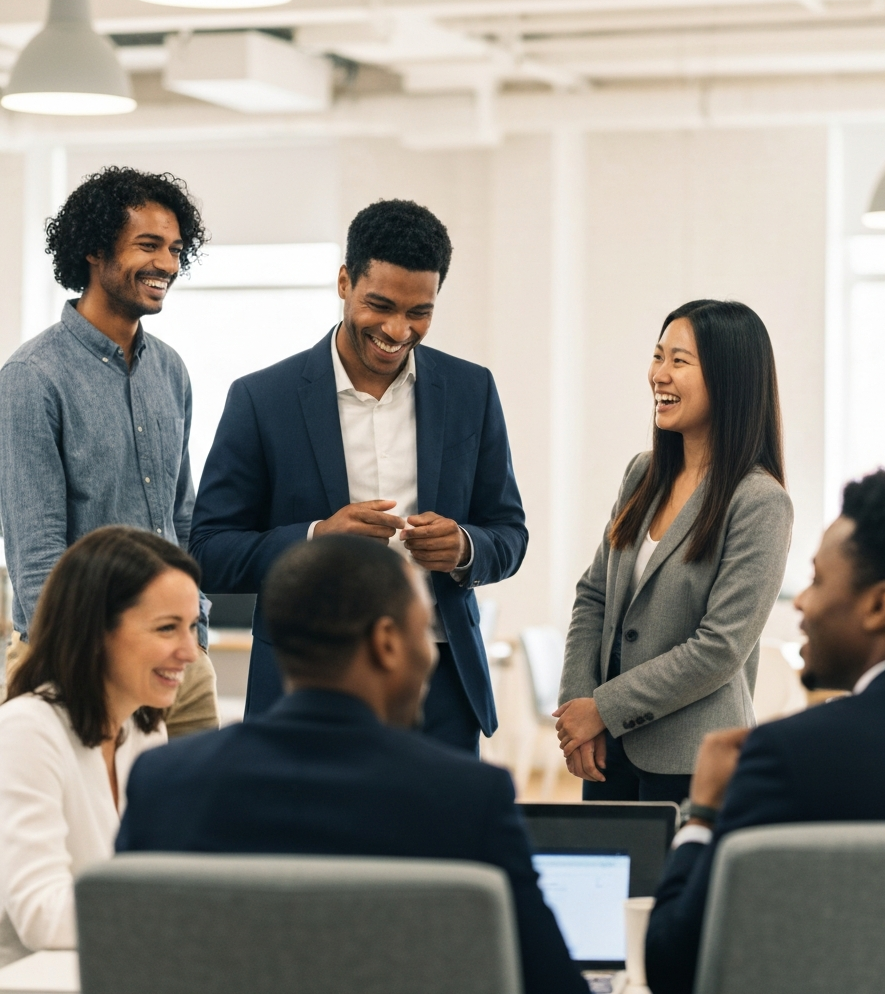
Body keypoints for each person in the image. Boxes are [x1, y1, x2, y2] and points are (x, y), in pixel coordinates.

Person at [117, 535, 586, 994]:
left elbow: (130, 959)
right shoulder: (467, 796)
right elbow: (551, 982)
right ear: (386, 641)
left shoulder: (164, 781)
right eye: (423, 630)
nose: (428, 654)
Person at [644, 469, 885, 994]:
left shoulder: (786, 758)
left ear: (879, 605)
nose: (801, 603)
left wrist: (703, 815)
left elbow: (671, 966)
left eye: (818, 580)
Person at [189, 199, 527, 750]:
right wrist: (315, 540)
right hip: (307, 684)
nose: (398, 330)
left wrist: (465, 547)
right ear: (344, 282)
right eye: (380, 305)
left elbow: (510, 533)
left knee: (431, 838)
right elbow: (209, 551)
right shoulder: (261, 400)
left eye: (420, 311)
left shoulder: (472, 392)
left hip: (439, 680)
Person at [0, 167, 217, 736]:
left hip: (181, 661)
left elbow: (182, 518)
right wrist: (98, 659)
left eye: (174, 248)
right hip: (77, 660)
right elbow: (37, 553)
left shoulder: (170, 369)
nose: (167, 264)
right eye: (148, 245)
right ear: (94, 250)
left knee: (200, 819)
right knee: (95, 825)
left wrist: (195, 627)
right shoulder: (31, 377)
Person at [556, 300, 793, 803]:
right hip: (605, 750)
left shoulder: (760, 502)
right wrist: (578, 709)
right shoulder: (642, 474)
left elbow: (720, 647)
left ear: (729, 380)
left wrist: (603, 707)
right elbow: (594, 596)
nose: (657, 375)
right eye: (657, 356)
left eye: (679, 361)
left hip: (691, 762)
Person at [0, 527, 201, 968]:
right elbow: (41, 915)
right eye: (168, 628)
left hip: (106, 967)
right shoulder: (26, 730)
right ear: (95, 632)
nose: (189, 651)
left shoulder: (143, 730)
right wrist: (187, 911)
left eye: (191, 627)